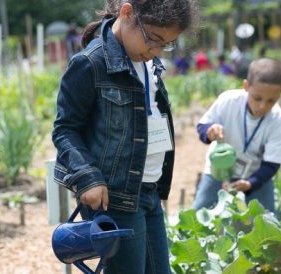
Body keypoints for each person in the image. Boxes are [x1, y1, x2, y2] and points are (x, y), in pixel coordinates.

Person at [52, 0, 196, 273]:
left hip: (149, 192)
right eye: (153, 39)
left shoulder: (148, 63)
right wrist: (87, 177)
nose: (155, 50)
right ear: (127, 12)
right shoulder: (90, 63)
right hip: (114, 197)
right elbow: (65, 129)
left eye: (165, 44)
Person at [191, 58, 281, 215]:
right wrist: (210, 131)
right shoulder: (228, 101)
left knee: (268, 222)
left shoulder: (278, 120)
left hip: (255, 175)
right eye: (257, 98)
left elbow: (271, 164)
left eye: (271, 100)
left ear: (280, 93)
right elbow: (202, 127)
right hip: (219, 170)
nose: (262, 106)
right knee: (199, 215)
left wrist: (251, 183)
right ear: (245, 86)